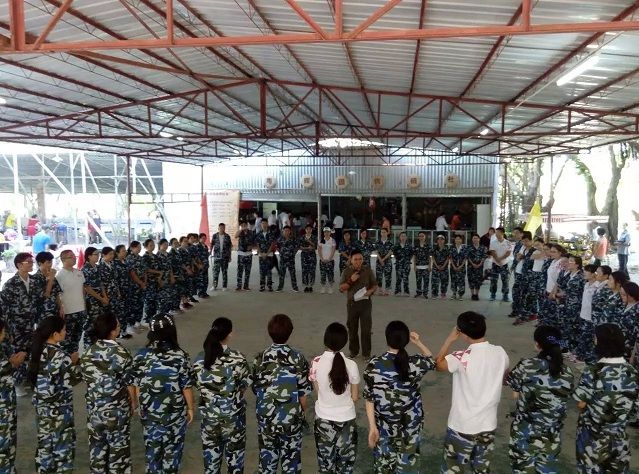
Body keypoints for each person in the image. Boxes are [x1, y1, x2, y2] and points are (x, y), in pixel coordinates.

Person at [436, 311, 509, 473]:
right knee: (481, 469)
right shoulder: (500, 352)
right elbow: (505, 378)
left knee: (453, 469)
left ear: (462, 333)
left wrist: (449, 339)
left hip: (462, 425)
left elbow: (438, 364)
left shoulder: (460, 357)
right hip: (488, 424)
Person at [363, 321, 434, 472]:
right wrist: (418, 342)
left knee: (384, 466)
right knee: (408, 467)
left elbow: (369, 398)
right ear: (406, 340)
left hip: (384, 428)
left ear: (387, 339)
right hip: (410, 428)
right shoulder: (415, 363)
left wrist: (372, 427)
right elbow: (430, 360)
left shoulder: (373, 365)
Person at [131, 314, 195, 473]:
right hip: (174, 415)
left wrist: (138, 405)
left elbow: (136, 384)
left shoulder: (141, 355)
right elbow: (186, 387)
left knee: (152, 453)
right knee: (172, 454)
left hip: (150, 414)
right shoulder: (181, 355)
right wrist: (190, 408)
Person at [506, 325, 575, 473]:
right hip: (552, 434)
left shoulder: (526, 366)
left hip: (525, 432)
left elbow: (514, 393)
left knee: (522, 469)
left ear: (537, 344)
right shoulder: (567, 372)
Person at [574, 324, 639, 473]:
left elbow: (581, 404)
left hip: (593, 439)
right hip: (619, 439)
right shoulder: (633, 372)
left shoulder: (593, 371)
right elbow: (635, 407)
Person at [251, 314, 311, 474]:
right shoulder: (298, 358)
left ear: (269, 332)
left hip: (266, 418)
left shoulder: (259, 358)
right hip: (291, 419)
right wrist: (301, 413)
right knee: (291, 463)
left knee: (267, 462)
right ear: (290, 332)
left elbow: (256, 389)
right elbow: (303, 393)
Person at [193, 317, 250, 474]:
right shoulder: (238, 358)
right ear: (230, 334)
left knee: (211, 467)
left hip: (209, 420)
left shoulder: (200, 359)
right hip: (234, 419)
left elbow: (197, 384)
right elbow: (244, 385)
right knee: (235, 466)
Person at [80, 312, 135, 473]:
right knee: (119, 450)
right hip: (117, 411)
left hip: (95, 409)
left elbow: (87, 379)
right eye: (117, 325)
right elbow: (130, 382)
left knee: (97, 447)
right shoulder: (122, 353)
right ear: (112, 331)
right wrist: (133, 403)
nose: (119, 327)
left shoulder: (88, 352)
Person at [29, 316, 82, 473]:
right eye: (63, 330)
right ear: (55, 334)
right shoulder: (61, 356)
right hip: (60, 412)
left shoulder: (38, 351)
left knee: (45, 446)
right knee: (63, 450)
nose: (66, 332)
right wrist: (74, 362)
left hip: (42, 410)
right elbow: (73, 380)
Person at [309, 323, 360, 473]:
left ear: (325, 340)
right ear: (344, 342)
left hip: (323, 420)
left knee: (325, 466)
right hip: (347, 421)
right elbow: (355, 397)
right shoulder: (351, 365)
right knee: (346, 467)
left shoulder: (316, 363)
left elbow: (318, 391)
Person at [0, 252, 36, 393]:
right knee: (18, 353)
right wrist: (9, 331)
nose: (31, 264)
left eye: (32, 261)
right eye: (29, 262)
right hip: (16, 327)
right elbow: (5, 310)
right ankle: (18, 385)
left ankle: (27, 379)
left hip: (30, 326)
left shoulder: (33, 281)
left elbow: (38, 302)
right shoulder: (10, 284)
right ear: (19, 265)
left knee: (29, 352)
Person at [339, 250, 378, 358]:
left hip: (366, 304)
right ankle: (354, 352)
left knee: (366, 330)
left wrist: (370, 291)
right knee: (352, 329)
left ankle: (366, 353)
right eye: (355, 259)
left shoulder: (368, 270)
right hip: (352, 304)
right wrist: (351, 281)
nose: (358, 261)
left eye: (360, 259)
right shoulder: (346, 272)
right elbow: (341, 289)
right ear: (351, 260)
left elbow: (375, 285)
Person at [0, 318, 26, 472]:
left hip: (7, 405)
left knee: (9, 440)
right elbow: (4, 368)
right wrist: (14, 363)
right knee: (4, 443)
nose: (4, 335)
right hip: (2, 409)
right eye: (3, 332)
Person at [55, 250, 87, 356]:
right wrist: (61, 308)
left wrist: (84, 305)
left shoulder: (79, 272)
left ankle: (74, 356)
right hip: (68, 311)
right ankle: (66, 359)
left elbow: (82, 290)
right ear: (63, 259)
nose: (74, 258)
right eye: (71, 257)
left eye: (74, 256)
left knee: (77, 337)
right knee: (66, 339)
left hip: (81, 309)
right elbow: (57, 294)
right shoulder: (60, 275)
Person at [82, 247, 108, 349]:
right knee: (91, 323)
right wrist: (101, 298)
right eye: (95, 254)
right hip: (91, 300)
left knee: (100, 322)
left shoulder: (97, 267)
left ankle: (97, 341)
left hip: (100, 298)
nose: (98, 256)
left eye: (98, 254)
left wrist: (105, 296)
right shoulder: (85, 269)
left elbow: (101, 283)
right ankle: (88, 345)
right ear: (89, 256)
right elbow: (87, 288)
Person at [575, 264, 601, 364]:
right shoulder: (586, 284)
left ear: (594, 274)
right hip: (583, 314)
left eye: (587, 271)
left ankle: (587, 358)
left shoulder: (598, 286)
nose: (584, 273)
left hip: (591, 317)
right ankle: (582, 356)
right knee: (582, 336)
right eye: (584, 271)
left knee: (588, 338)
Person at [31, 251, 62, 322]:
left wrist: (61, 308)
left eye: (51, 262)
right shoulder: (35, 278)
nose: (50, 265)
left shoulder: (52, 276)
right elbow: (46, 295)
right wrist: (51, 278)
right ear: (40, 263)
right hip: (43, 313)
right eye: (48, 262)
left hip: (55, 311)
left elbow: (57, 294)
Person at [126, 241, 148, 330]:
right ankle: (132, 324)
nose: (139, 249)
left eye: (140, 247)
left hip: (142, 285)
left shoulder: (140, 258)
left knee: (140, 304)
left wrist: (145, 282)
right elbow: (132, 274)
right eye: (137, 247)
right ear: (132, 248)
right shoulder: (129, 258)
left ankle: (138, 322)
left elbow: (144, 271)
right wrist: (141, 283)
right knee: (133, 305)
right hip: (134, 285)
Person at [489, 227, 512, 302]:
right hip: (495, 264)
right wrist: (498, 260)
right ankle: (493, 294)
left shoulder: (507, 242)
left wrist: (500, 259)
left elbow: (508, 253)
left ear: (502, 233)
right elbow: (493, 252)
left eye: (498, 232)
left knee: (505, 280)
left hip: (504, 264)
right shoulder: (493, 242)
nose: (496, 234)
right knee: (493, 280)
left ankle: (505, 295)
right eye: (496, 232)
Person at [276, 225, 300, 293]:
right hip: (283, 259)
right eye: (285, 231)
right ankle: (280, 287)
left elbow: (297, 246)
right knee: (281, 274)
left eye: (288, 231)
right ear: (283, 231)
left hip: (291, 259)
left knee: (292, 274)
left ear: (290, 231)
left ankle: (295, 287)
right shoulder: (280, 239)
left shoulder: (293, 239)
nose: (286, 232)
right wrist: (280, 253)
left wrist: (294, 253)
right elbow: (277, 247)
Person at [619, 282, 639, 361]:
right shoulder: (625, 305)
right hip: (621, 346)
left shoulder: (637, 309)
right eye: (621, 294)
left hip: (630, 349)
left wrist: (633, 356)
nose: (621, 296)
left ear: (632, 294)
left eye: (624, 294)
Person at [255, 220, 276, 292]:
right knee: (262, 270)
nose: (264, 225)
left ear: (267, 224)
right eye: (262, 223)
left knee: (269, 270)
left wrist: (266, 254)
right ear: (261, 225)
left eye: (265, 223)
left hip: (269, 254)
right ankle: (262, 285)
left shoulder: (271, 233)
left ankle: (269, 285)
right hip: (261, 255)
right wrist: (261, 253)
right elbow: (257, 244)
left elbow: (272, 244)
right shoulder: (258, 234)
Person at [210, 223, 232, 291]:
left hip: (225, 257)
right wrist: (210, 252)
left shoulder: (227, 236)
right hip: (217, 256)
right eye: (221, 228)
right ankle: (214, 285)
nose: (222, 229)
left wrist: (230, 256)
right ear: (218, 228)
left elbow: (229, 247)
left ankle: (224, 286)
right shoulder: (215, 236)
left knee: (224, 272)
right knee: (215, 272)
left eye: (223, 228)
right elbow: (212, 244)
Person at [466, 233, 486, 301]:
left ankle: (476, 294)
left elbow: (484, 256)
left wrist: (480, 264)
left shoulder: (483, 247)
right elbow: (468, 257)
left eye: (476, 238)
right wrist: (473, 264)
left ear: (479, 239)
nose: (475, 239)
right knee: (471, 280)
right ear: (472, 239)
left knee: (478, 281)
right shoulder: (469, 247)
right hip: (470, 267)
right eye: (474, 238)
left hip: (479, 267)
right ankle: (472, 294)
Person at [235, 221, 254, 291]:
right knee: (240, 270)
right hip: (241, 254)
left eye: (245, 225)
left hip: (248, 254)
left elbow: (254, 241)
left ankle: (246, 286)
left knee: (247, 271)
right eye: (242, 225)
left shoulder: (251, 232)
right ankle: (239, 286)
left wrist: (251, 246)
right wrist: (241, 230)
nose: (244, 226)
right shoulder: (240, 232)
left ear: (247, 225)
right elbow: (235, 236)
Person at [412, 231, 432, 299]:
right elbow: (414, 256)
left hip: (426, 267)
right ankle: (418, 293)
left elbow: (430, 257)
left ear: (425, 237)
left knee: (426, 281)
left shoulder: (428, 246)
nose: (421, 237)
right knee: (418, 281)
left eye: (422, 236)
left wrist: (430, 266)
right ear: (418, 237)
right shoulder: (416, 246)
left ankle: (425, 293)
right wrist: (414, 266)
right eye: (420, 236)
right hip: (418, 267)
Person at [375, 228, 394, 296]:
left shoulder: (390, 242)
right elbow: (376, 252)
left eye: (384, 232)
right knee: (379, 276)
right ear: (380, 233)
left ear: (387, 233)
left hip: (387, 261)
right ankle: (380, 289)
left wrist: (383, 259)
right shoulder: (377, 242)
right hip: (379, 261)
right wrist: (380, 260)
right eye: (382, 232)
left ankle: (387, 290)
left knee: (388, 276)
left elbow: (390, 252)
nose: (383, 233)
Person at [393, 231, 413, 297]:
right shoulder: (396, 246)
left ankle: (406, 291)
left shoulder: (409, 246)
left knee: (406, 279)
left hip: (406, 265)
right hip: (398, 265)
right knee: (398, 278)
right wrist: (399, 260)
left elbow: (411, 255)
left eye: (404, 236)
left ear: (406, 237)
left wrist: (407, 260)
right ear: (399, 237)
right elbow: (394, 254)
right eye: (402, 236)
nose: (403, 237)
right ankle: (398, 291)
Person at [299, 224, 318, 293]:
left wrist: (309, 241)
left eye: (310, 229)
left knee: (312, 271)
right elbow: (300, 247)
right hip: (304, 256)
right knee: (305, 271)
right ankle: (306, 286)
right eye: (307, 229)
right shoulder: (302, 237)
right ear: (305, 230)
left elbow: (316, 247)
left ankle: (311, 286)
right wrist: (307, 248)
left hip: (312, 256)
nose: (308, 230)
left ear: (311, 230)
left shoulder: (314, 237)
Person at [318, 227, 337, 294]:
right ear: (323, 233)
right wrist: (322, 259)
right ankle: (323, 287)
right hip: (322, 261)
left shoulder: (332, 240)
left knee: (330, 274)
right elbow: (319, 250)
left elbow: (333, 250)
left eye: (328, 232)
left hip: (330, 261)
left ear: (330, 232)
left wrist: (329, 259)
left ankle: (330, 288)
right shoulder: (321, 240)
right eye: (325, 232)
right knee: (323, 274)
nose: (326, 233)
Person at [449, 234, 467, 301]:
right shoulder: (452, 248)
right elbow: (450, 258)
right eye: (456, 239)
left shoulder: (464, 248)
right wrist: (453, 266)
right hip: (453, 267)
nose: (457, 240)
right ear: (454, 240)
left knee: (461, 281)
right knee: (453, 280)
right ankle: (454, 294)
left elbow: (465, 258)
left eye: (459, 239)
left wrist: (461, 266)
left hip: (462, 268)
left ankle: (460, 295)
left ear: (461, 240)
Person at [431, 235, 450, 299]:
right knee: (434, 282)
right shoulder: (434, 248)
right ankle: (434, 294)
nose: (440, 241)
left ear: (444, 241)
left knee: (444, 281)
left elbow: (448, 258)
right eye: (438, 239)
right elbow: (433, 258)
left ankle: (443, 293)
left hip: (444, 268)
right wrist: (437, 266)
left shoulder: (447, 249)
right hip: (435, 268)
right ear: (437, 241)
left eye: (442, 239)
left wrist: (443, 266)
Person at [196, 233, 210, 299]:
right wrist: (199, 264)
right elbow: (196, 256)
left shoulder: (205, 246)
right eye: (203, 238)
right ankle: (200, 293)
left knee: (205, 279)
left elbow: (206, 256)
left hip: (205, 265)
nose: (204, 239)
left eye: (205, 238)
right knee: (200, 280)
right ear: (199, 238)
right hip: (200, 265)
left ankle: (204, 292)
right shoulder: (197, 246)